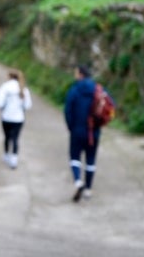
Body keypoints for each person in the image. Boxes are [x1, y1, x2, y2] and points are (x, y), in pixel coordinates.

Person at [64, 64, 101, 202]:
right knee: (91, 159)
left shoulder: (74, 90)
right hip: (94, 132)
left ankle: (78, 181)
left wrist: (71, 127)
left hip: (77, 130)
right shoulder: (98, 90)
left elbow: (68, 111)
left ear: (80, 75)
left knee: (75, 157)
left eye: (76, 73)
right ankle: (88, 190)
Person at [0, 69, 32, 169]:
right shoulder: (23, 88)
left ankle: (6, 154)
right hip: (18, 118)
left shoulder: (5, 87)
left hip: (6, 117)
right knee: (15, 138)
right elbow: (27, 105)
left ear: (9, 76)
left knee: (7, 137)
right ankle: (14, 159)